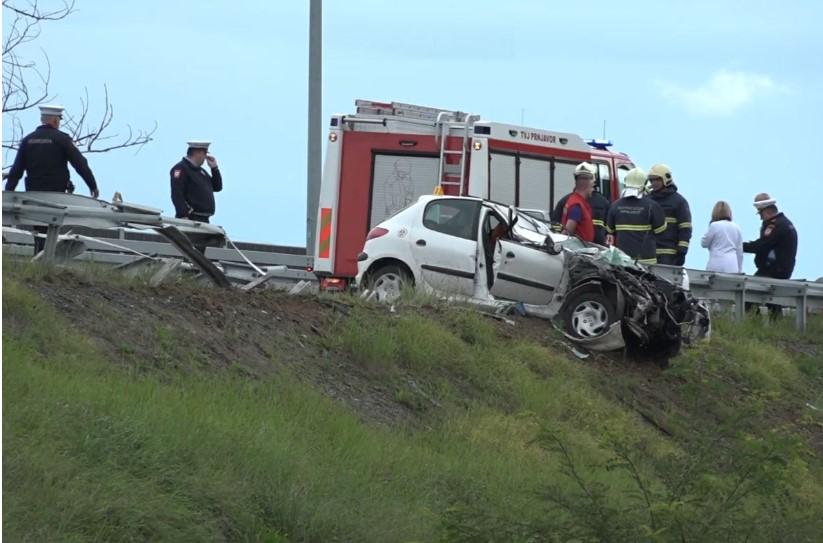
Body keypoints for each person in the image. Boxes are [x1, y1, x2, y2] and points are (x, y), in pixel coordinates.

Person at [4, 104, 99, 254]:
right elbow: (80, 164)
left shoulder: (28, 140)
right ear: (55, 121)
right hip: (56, 195)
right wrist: (92, 185)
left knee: (39, 230)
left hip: (33, 195)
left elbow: (16, 171)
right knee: (52, 228)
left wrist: (8, 194)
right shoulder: (62, 139)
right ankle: (45, 262)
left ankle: (39, 257)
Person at [605, 167, 666, 264]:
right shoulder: (652, 206)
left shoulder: (615, 205)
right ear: (644, 183)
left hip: (623, 260)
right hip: (646, 260)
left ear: (626, 182)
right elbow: (661, 230)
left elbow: (609, 231)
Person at [743, 193, 797, 280]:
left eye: (761, 214)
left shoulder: (775, 226)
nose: (761, 218)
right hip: (780, 271)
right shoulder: (785, 223)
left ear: (767, 211)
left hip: (773, 272)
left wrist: (739, 246)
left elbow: (762, 245)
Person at [647, 163, 691, 266]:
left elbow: (685, 228)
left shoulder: (679, 201)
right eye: (652, 180)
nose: (654, 183)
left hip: (668, 252)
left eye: (657, 179)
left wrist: (682, 250)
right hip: (648, 252)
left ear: (666, 179)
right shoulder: (647, 200)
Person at [170, 141, 223, 223]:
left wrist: (214, 168)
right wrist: (183, 215)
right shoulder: (181, 168)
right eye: (205, 153)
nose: (206, 157)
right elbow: (177, 193)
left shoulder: (201, 171)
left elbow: (217, 187)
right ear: (197, 152)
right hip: (191, 219)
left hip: (204, 219)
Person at [701, 201, 743, 273]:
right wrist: (739, 270)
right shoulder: (737, 228)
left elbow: (704, 243)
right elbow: (740, 252)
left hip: (716, 262)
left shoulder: (714, 225)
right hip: (732, 265)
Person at [560, 162, 596, 242]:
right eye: (593, 186)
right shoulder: (577, 205)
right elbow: (567, 232)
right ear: (589, 183)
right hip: (579, 251)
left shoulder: (576, 201)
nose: (593, 189)